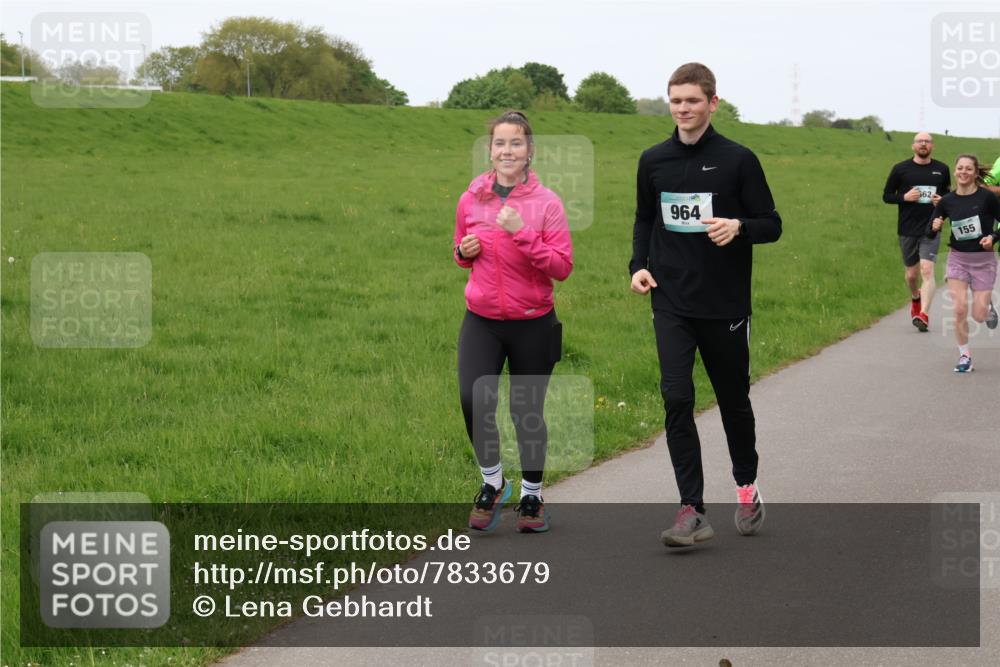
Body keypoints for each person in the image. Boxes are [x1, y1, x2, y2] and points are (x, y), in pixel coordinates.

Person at [629, 63, 782, 548]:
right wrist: (638, 264)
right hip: (671, 300)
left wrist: (739, 227)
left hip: (725, 304)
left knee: (733, 401)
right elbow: (643, 218)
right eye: (675, 100)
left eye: (692, 100)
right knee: (676, 397)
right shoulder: (653, 160)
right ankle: (691, 509)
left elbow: (772, 223)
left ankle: (745, 485)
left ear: (712, 103)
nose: (682, 109)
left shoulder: (739, 160)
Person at [453, 110, 573, 533]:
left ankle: (533, 496)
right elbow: (460, 248)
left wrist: (523, 233)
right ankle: (493, 483)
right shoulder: (471, 199)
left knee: (527, 412)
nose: (507, 151)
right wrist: (463, 252)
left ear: (530, 151)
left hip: (533, 321)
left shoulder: (548, 204)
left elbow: (562, 267)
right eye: (500, 143)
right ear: (490, 150)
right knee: (473, 398)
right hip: (482, 319)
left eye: (516, 143)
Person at [929, 154, 1000, 372]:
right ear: (955, 170)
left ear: (976, 173)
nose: (963, 172)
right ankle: (964, 356)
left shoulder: (987, 198)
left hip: (983, 260)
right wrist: (934, 226)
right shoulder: (947, 201)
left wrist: (993, 238)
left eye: (969, 169)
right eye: (960, 168)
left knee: (978, 316)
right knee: (959, 309)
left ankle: (988, 308)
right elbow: (930, 233)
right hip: (957, 259)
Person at [882, 133, 951, 331]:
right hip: (907, 228)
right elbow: (886, 196)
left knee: (927, 271)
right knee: (912, 276)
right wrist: (904, 197)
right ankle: (915, 297)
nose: (923, 144)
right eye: (920, 141)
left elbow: (948, 196)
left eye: (927, 141)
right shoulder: (900, 169)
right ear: (913, 146)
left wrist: (942, 202)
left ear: (932, 146)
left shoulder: (942, 169)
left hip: (931, 227)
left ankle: (924, 314)